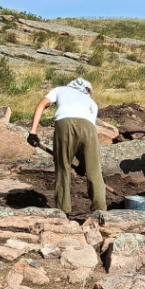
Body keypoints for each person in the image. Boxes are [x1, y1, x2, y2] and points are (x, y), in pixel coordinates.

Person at [27, 78, 106, 213]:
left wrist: (33, 132)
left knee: (63, 167)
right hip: (88, 127)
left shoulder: (60, 90)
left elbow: (41, 105)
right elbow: (85, 142)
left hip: (64, 123)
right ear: (87, 90)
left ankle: (63, 212)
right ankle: (100, 212)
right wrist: (84, 166)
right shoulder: (92, 103)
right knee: (95, 171)